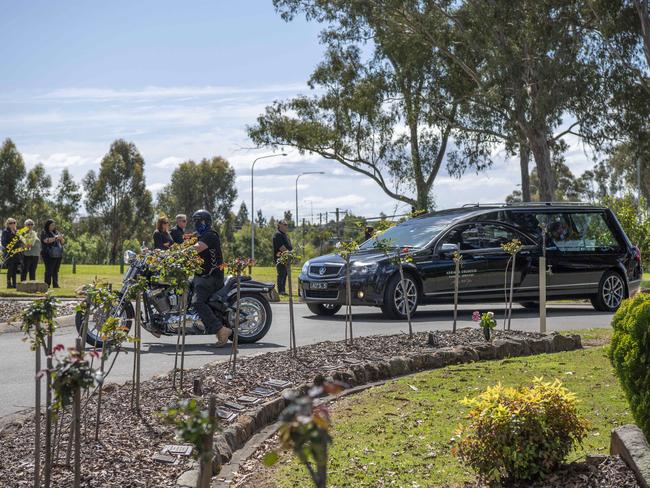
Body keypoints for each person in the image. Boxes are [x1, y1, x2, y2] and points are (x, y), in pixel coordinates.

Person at [190, 209, 232, 346]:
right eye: (195, 221)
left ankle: (221, 330)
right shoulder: (198, 236)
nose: (197, 224)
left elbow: (196, 248)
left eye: (199, 221)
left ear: (207, 222)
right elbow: (181, 244)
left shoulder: (210, 236)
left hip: (211, 277)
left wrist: (179, 253)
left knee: (198, 302)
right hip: (201, 276)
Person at [40, 219, 64, 288]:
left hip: (58, 253)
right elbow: (45, 240)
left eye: (54, 225)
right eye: (52, 225)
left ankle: (55, 284)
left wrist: (61, 238)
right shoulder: (44, 232)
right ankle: (47, 285)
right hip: (48, 253)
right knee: (49, 269)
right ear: (48, 225)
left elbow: (62, 243)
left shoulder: (56, 232)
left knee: (55, 270)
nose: (53, 226)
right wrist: (56, 238)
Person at [273, 220, 293, 296]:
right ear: (280, 225)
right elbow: (281, 247)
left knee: (285, 274)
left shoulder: (284, 235)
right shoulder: (277, 234)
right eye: (285, 224)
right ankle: (280, 291)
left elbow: (288, 246)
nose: (286, 226)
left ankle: (283, 291)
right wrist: (289, 253)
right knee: (281, 274)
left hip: (287, 257)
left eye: (287, 224)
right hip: (280, 257)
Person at [1, 218, 21, 288]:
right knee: (10, 268)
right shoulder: (5, 232)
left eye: (14, 223)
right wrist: (9, 247)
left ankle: (14, 284)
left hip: (16, 253)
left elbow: (20, 242)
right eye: (11, 223)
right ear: (8, 224)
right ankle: (9, 284)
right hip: (9, 253)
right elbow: (3, 242)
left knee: (15, 269)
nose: (13, 224)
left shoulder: (17, 232)